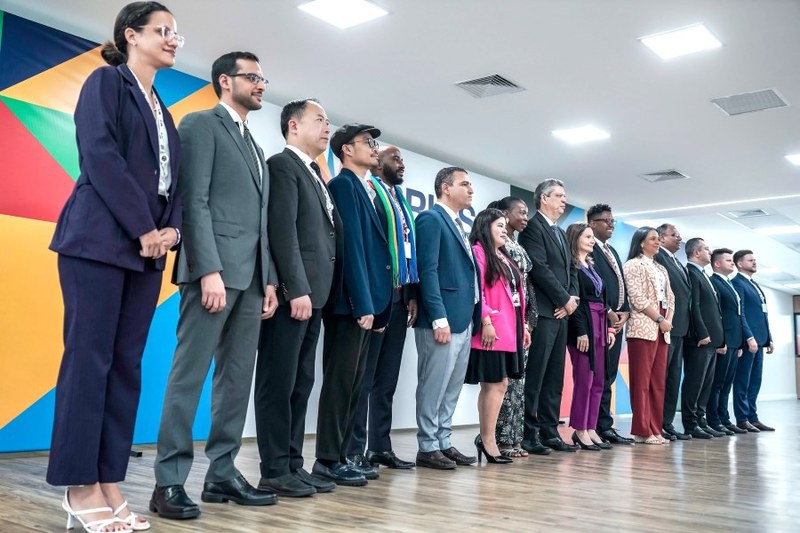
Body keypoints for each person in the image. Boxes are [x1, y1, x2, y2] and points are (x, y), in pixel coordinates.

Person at [46, 2, 182, 531]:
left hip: (147, 254)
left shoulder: (164, 111)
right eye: (162, 31)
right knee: (90, 361)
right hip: (98, 243)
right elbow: (100, 157)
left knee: (125, 367)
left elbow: (173, 184)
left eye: (177, 33)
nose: (173, 39)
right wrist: (144, 227)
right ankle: (78, 486)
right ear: (132, 35)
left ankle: (108, 479)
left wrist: (172, 230)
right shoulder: (107, 83)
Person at [151, 51, 278, 519]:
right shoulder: (201, 125)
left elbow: (260, 223)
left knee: (235, 381)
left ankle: (221, 473)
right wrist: (208, 270)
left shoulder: (255, 145)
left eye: (263, 78)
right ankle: (168, 482)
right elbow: (194, 201)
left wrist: (269, 279)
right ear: (226, 81)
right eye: (253, 77)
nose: (261, 84)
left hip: (251, 279)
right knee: (188, 376)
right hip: (213, 274)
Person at [253, 99, 340, 498]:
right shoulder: (282, 165)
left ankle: (292, 464)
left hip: (315, 297)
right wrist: (296, 288)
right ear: (293, 125)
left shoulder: (315, 174)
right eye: (319, 120)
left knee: (301, 382)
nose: (327, 127)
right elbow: (282, 232)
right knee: (279, 381)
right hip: (295, 296)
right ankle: (272, 468)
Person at [313, 124, 393, 486]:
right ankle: (328, 459)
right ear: (346, 150)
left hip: (368, 303)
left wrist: (378, 307)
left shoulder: (366, 188)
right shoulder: (344, 185)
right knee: (340, 384)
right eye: (367, 143)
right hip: (350, 304)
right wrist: (363, 304)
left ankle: (346, 454)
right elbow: (352, 249)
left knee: (356, 384)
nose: (374, 149)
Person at [347, 146, 418, 471]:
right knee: (364, 378)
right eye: (396, 158)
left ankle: (380, 446)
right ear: (378, 163)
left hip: (401, 298)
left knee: (387, 380)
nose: (401, 164)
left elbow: (407, 250)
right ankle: (355, 449)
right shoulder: (369, 192)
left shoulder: (399, 200)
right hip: (377, 295)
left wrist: (413, 295)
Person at [414, 167, 481, 469]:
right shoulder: (431, 218)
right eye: (464, 184)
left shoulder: (458, 223)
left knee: (451, 386)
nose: (470, 190)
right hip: (441, 320)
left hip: (463, 319)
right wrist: (438, 317)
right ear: (445, 188)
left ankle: (443, 440)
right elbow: (427, 271)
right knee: (433, 384)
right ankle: (427, 445)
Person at [519, 179, 579, 454]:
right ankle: (530, 435)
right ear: (544, 199)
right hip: (543, 312)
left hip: (562, 313)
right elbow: (539, 268)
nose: (564, 200)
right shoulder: (533, 228)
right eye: (559, 195)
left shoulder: (560, 232)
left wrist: (572, 300)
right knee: (537, 376)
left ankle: (549, 430)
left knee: (555, 377)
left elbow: (572, 270)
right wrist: (563, 299)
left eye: (564, 196)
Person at [465, 208, 531, 463]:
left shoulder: (503, 255)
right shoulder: (479, 253)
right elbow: (477, 290)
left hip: (510, 327)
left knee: (501, 384)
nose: (505, 230)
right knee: (494, 384)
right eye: (499, 226)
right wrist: (486, 320)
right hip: (491, 328)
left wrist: (522, 326)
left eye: (506, 226)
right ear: (485, 226)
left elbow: (515, 292)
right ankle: (488, 440)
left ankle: (487, 438)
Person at [488, 197, 538, 458]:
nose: (525, 217)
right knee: (503, 384)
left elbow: (525, 284)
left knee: (519, 383)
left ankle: (514, 438)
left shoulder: (516, 244)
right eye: (521, 212)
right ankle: (500, 438)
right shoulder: (494, 245)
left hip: (522, 321)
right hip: (504, 320)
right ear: (504, 214)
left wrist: (529, 319)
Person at [586, 204, 634, 445]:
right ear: (592, 223)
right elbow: (595, 285)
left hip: (617, 321)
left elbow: (620, 283)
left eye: (612, 220)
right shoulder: (587, 247)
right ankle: (595, 425)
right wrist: (610, 311)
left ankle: (605, 425)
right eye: (606, 220)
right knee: (599, 375)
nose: (611, 224)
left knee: (610, 375)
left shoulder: (611, 250)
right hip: (600, 319)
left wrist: (626, 311)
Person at [565, 223, 615, 451]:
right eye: (587, 236)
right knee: (584, 379)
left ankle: (591, 427)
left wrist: (608, 329)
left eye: (592, 237)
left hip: (600, 323)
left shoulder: (591, 265)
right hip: (584, 324)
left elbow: (602, 300)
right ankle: (579, 429)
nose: (592, 240)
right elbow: (575, 301)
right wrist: (581, 331)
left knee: (599, 379)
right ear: (575, 238)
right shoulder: (572, 266)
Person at [623, 227, 675, 445]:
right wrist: (660, 319)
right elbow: (636, 297)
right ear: (641, 242)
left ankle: (656, 427)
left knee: (658, 383)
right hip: (644, 326)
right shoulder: (633, 265)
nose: (657, 242)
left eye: (658, 239)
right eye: (653, 239)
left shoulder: (661, 268)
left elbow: (670, 297)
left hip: (663, 328)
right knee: (642, 382)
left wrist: (668, 319)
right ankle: (642, 429)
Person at [681, 238, 726, 439]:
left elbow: (714, 309)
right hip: (700, 339)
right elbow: (694, 306)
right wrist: (702, 332)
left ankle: (701, 419)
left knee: (706, 384)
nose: (710, 251)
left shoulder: (704, 274)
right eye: (707, 249)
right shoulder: (690, 272)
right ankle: (690, 424)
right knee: (695, 382)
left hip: (712, 339)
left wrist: (720, 338)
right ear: (696, 253)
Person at [708, 248, 756, 435]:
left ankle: (724, 418)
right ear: (717, 264)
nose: (732, 263)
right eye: (728, 260)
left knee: (727, 384)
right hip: (724, 340)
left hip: (735, 342)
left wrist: (740, 344)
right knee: (718, 383)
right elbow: (719, 316)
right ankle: (714, 420)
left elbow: (737, 315)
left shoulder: (729, 284)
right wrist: (723, 341)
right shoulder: (715, 282)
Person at [654, 224, 692, 441]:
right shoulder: (659, 258)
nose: (679, 238)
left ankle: (667, 422)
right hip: (665, 327)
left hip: (680, 328)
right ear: (661, 238)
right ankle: (657, 422)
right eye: (674, 235)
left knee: (673, 378)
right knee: (662, 377)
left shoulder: (677, 262)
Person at [730, 250, 775, 432]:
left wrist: (769, 338)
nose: (754, 262)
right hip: (749, 341)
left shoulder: (754, 284)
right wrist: (749, 337)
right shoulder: (737, 283)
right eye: (750, 260)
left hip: (761, 341)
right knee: (743, 380)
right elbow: (741, 314)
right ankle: (742, 418)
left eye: (755, 259)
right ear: (740, 264)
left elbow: (762, 314)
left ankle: (752, 417)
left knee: (755, 380)